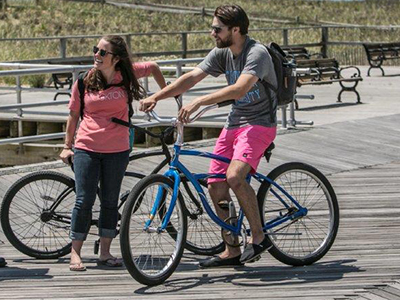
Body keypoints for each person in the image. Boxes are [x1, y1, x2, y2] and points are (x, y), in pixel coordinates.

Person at [139, 5, 277, 267]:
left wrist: (199, 102)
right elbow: (191, 77)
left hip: (260, 123)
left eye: (217, 28)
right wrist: (156, 96)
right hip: (235, 122)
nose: (212, 32)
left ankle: (259, 237)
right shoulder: (222, 53)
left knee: (235, 176)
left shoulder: (256, 53)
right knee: (215, 184)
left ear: (235, 29)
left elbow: (239, 89)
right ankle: (232, 249)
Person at [60, 35, 166, 272]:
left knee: (110, 201)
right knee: (83, 200)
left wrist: (164, 94)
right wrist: (67, 145)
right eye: (95, 50)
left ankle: (105, 252)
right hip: (87, 147)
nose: (96, 55)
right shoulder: (84, 80)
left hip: (117, 150)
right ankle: (75, 252)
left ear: (116, 58)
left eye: (102, 52)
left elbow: (154, 67)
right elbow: (73, 115)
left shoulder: (125, 76)